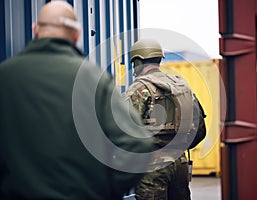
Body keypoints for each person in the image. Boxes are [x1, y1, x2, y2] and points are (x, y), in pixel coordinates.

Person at [0, 1, 154, 199]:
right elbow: (138, 145)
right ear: (77, 34)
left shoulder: (5, 76)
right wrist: (106, 190)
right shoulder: (93, 79)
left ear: (35, 29)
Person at [125, 39, 207, 200]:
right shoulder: (181, 86)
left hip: (152, 167)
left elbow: (123, 132)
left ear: (138, 61)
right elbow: (200, 131)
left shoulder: (139, 88)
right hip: (180, 164)